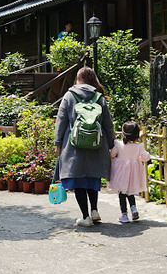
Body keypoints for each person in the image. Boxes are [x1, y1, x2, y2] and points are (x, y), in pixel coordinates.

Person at [54, 66, 115, 227]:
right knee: (92, 178)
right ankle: (94, 211)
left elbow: (61, 121)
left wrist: (57, 143)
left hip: (74, 147)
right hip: (96, 145)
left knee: (79, 180)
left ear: (78, 78)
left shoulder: (69, 95)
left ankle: (85, 216)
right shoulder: (99, 97)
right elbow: (108, 124)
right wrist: (111, 144)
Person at [108, 121, 151, 223]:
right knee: (130, 192)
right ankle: (133, 209)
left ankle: (124, 215)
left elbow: (112, 155)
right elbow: (146, 157)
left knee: (122, 193)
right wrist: (138, 158)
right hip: (133, 174)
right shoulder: (138, 147)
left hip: (120, 173)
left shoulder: (118, 144)